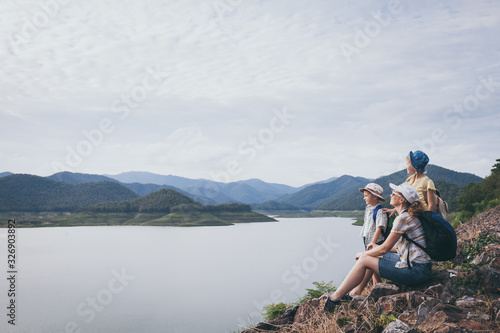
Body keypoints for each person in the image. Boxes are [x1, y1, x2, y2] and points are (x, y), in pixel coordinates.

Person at [324, 182, 432, 311]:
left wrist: (363, 254)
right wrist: (375, 247)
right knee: (374, 253)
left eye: (394, 193)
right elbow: (399, 248)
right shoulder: (409, 215)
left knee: (365, 259)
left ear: (401, 199)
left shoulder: (403, 218)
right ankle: (355, 292)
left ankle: (334, 299)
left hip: (416, 271)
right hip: (420, 268)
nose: (391, 195)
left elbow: (384, 248)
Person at [352, 183, 388, 294]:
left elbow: (379, 228)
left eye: (366, 195)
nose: (364, 198)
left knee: (371, 266)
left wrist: (373, 242)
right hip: (368, 240)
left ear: (375, 197)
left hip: (376, 242)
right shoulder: (368, 208)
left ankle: (370, 288)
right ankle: (378, 288)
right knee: (373, 270)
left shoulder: (380, 211)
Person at [386, 150, 437, 216]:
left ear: (414, 166)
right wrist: (395, 210)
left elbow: (431, 205)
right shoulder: (409, 180)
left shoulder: (427, 182)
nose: (406, 166)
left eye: (407, 164)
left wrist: (428, 220)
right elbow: (405, 198)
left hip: (422, 216)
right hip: (411, 215)